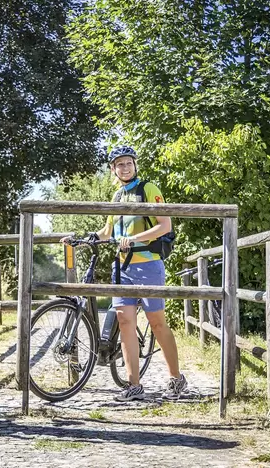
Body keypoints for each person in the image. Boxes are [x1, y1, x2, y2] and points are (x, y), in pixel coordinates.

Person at [63, 145, 187, 401]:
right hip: (122, 266)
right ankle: (134, 385)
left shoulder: (148, 189)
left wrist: (133, 238)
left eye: (128, 163)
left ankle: (176, 377)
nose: (125, 167)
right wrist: (82, 239)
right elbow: (108, 233)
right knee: (125, 321)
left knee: (157, 322)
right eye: (119, 164)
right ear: (113, 169)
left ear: (135, 165)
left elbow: (165, 226)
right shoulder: (117, 196)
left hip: (148, 264)